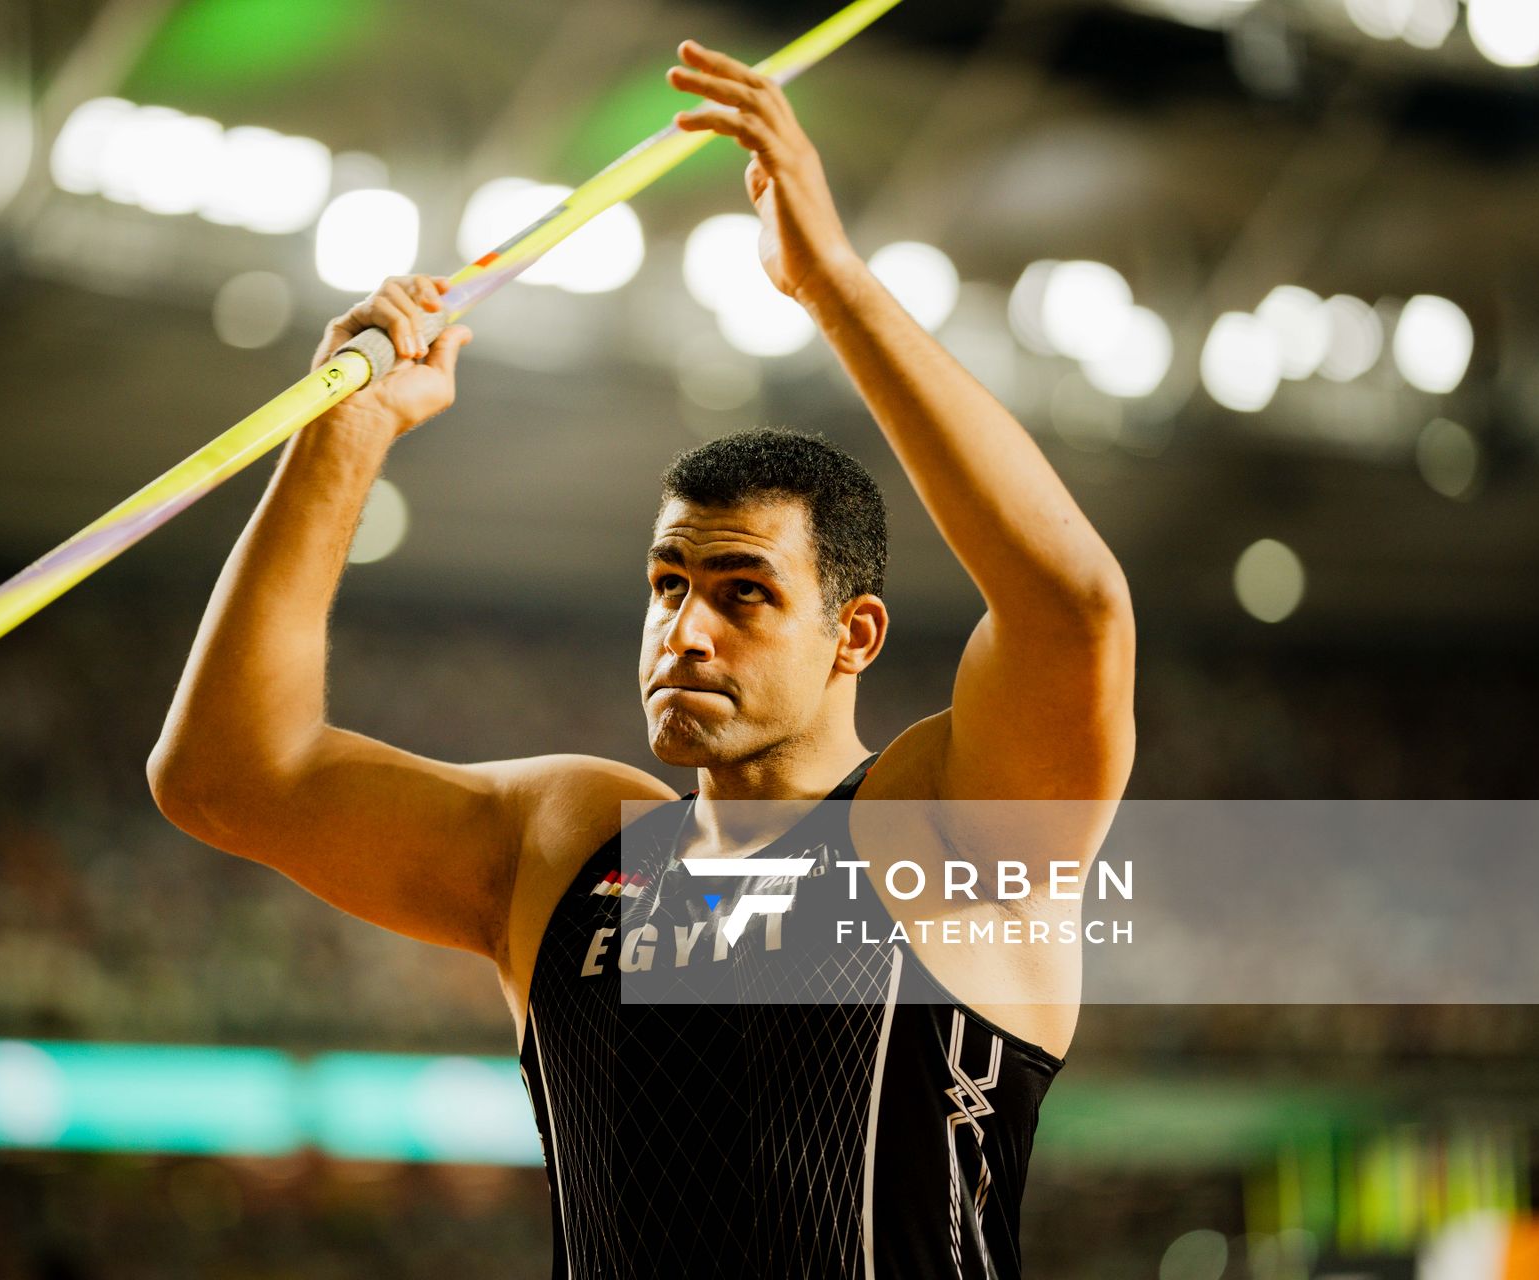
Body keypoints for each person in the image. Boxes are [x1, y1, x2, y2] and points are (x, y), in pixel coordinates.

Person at [148, 37, 1134, 1280]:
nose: (688, 628)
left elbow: (1074, 607)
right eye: (668, 584)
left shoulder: (950, 834)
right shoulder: (568, 844)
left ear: (856, 636)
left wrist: (832, 287)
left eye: (743, 593)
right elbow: (231, 773)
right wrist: (344, 438)